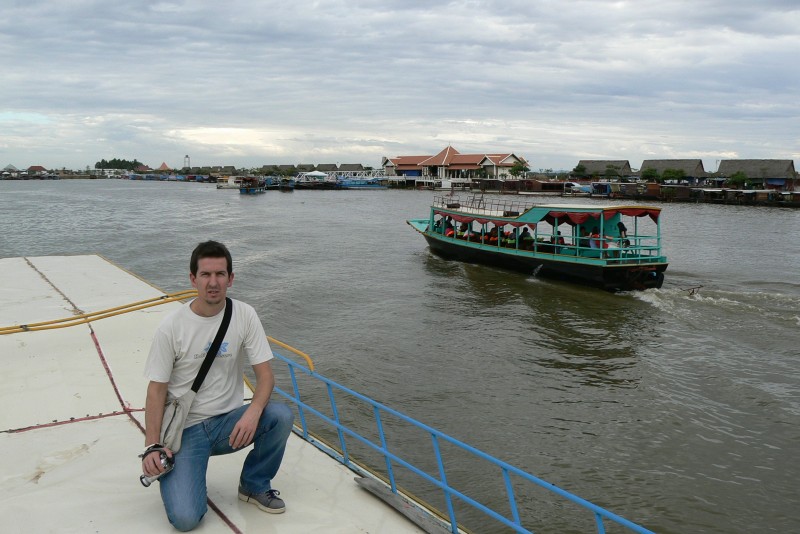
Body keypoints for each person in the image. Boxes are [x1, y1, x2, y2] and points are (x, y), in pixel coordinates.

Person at [142, 240, 294, 531]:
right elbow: (155, 391)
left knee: (280, 416)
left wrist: (253, 411)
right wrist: (152, 445)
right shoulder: (171, 327)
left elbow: (266, 377)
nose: (213, 283)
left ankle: (253, 484)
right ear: (192, 279)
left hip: (229, 424)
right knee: (186, 519)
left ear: (231, 278)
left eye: (220, 274)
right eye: (206, 275)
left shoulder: (245, 315)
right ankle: (183, 475)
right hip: (186, 432)